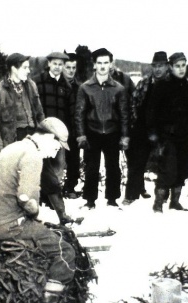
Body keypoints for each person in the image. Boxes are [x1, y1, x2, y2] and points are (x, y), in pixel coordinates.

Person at [0, 117, 75, 303]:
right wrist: (36, 214)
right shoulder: (32, 156)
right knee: (65, 251)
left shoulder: (14, 147)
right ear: (47, 137)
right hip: (6, 226)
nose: (57, 150)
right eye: (58, 145)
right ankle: (50, 300)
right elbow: (26, 200)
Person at [147, 52, 188, 213]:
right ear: (170, 67)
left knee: (183, 170)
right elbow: (151, 113)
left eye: (183, 65)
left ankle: (175, 202)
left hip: (186, 137)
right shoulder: (161, 87)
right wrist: (154, 135)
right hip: (167, 137)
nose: (181, 69)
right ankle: (158, 204)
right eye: (177, 66)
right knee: (168, 170)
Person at [75, 48, 129, 209]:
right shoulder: (85, 88)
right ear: (94, 65)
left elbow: (124, 114)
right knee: (92, 167)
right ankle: (90, 200)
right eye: (99, 63)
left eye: (106, 62)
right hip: (93, 131)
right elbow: (79, 113)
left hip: (112, 132)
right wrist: (81, 135)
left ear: (111, 64)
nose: (103, 66)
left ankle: (112, 199)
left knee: (113, 167)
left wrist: (125, 136)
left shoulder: (118, 88)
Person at [122, 51, 169, 206]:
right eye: (155, 66)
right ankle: (131, 195)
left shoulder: (172, 84)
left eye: (161, 66)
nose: (157, 69)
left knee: (166, 163)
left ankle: (164, 198)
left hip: (164, 130)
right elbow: (133, 103)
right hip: (142, 128)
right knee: (136, 163)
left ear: (166, 66)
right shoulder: (145, 83)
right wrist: (135, 123)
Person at [33, 52, 74, 224]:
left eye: (60, 64)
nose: (58, 67)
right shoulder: (39, 82)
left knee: (58, 167)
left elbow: (69, 110)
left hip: (60, 134)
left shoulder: (67, 85)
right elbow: (36, 107)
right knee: (41, 167)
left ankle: (53, 202)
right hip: (43, 131)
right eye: (55, 63)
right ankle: (39, 199)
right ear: (49, 63)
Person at [0, 53, 44, 155]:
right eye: (25, 68)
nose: (28, 71)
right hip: (13, 140)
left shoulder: (31, 85)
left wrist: (44, 135)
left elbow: (40, 113)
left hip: (33, 137)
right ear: (14, 69)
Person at [62, 52, 82, 199]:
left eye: (73, 67)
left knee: (73, 162)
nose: (71, 70)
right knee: (54, 162)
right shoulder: (57, 84)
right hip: (57, 129)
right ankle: (52, 190)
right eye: (68, 67)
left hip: (73, 130)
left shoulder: (79, 87)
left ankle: (70, 187)